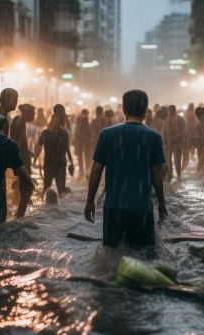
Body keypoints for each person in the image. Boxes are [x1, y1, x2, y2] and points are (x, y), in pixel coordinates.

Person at [84, 89, 167, 249]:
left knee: (110, 256)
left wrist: (89, 201)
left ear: (124, 109)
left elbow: (96, 171)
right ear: (145, 110)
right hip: (141, 208)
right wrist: (162, 203)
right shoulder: (153, 137)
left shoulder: (107, 135)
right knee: (143, 257)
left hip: (113, 207)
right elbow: (157, 174)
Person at [34, 113, 74, 198]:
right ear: (51, 121)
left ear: (59, 122)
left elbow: (67, 149)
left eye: (57, 121)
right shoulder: (45, 133)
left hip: (60, 165)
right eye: (53, 120)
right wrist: (34, 160)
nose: (55, 122)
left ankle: (61, 207)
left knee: (61, 190)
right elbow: (39, 147)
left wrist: (72, 163)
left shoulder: (64, 133)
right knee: (46, 188)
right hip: (49, 165)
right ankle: (46, 207)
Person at [9, 103, 36, 217]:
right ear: (26, 112)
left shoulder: (17, 120)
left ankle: (18, 216)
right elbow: (19, 144)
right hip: (21, 160)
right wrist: (21, 163)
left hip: (19, 158)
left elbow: (16, 142)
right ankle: (19, 217)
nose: (34, 115)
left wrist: (28, 151)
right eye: (32, 113)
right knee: (27, 190)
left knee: (20, 190)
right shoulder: (20, 122)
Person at [162, 104, 186, 182]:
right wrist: (165, 140)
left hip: (177, 143)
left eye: (171, 112)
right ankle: (172, 177)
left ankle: (177, 177)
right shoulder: (167, 120)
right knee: (170, 162)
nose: (170, 113)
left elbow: (182, 133)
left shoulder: (180, 119)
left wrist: (170, 138)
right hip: (171, 144)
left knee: (176, 162)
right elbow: (164, 132)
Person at [74, 108, 92, 178]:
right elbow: (89, 134)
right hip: (84, 142)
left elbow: (76, 135)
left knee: (81, 158)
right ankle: (86, 172)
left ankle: (82, 172)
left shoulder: (78, 124)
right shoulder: (86, 123)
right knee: (86, 157)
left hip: (80, 143)